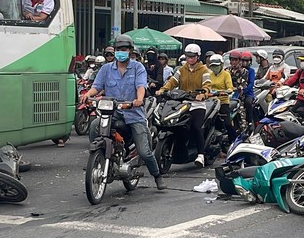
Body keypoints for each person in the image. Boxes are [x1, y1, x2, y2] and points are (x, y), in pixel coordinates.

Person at [83, 35, 166, 189]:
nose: (121, 52)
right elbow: (97, 86)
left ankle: (157, 175)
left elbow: (141, 86)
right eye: (118, 50)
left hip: (134, 114)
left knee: (144, 152)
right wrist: (88, 95)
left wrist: (139, 99)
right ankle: (98, 159)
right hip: (112, 112)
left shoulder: (137, 67)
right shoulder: (106, 68)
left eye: (124, 50)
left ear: (130, 51)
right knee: (95, 126)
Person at [157, 43, 212, 167]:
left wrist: (203, 93)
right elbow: (173, 81)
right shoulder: (182, 69)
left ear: (198, 57)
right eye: (188, 56)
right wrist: (163, 89)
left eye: (192, 57)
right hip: (183, 103)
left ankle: (200, 155)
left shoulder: (204, 70)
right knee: (177, 124)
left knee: (195, 127)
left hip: (197, 104)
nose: (190, 59)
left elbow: (207, 84)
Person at [207, 53, 236, 142]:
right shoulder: (209, 75)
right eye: (212, 66)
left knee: (227, 123)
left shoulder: (226, 74)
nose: (214, 68)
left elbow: (230, 87)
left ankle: (232, 141)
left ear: (221, 65)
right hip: (210, 102)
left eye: (216, 66)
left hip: (223, 102)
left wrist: (225, 92)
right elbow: (205, 86)